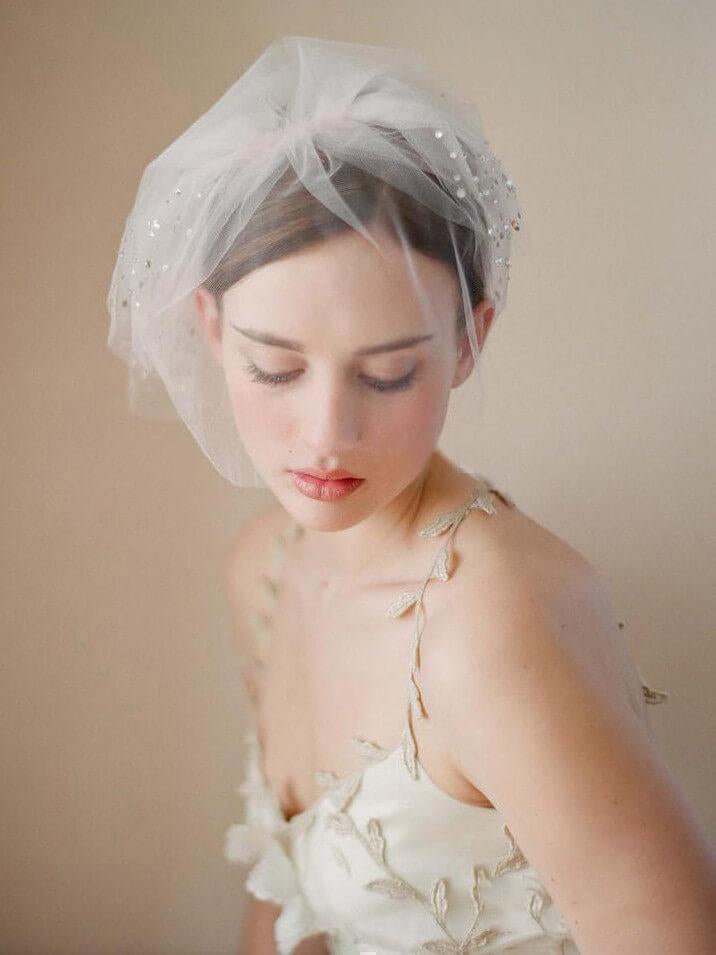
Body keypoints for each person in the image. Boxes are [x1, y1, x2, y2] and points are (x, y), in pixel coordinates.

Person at [107, 36, 715, 955]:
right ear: (212, 325)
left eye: (387, 374)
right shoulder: (263, 570)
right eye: (275, 367)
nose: (327, 435)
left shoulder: (496, 616)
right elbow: (285, 900)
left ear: (469, 340)